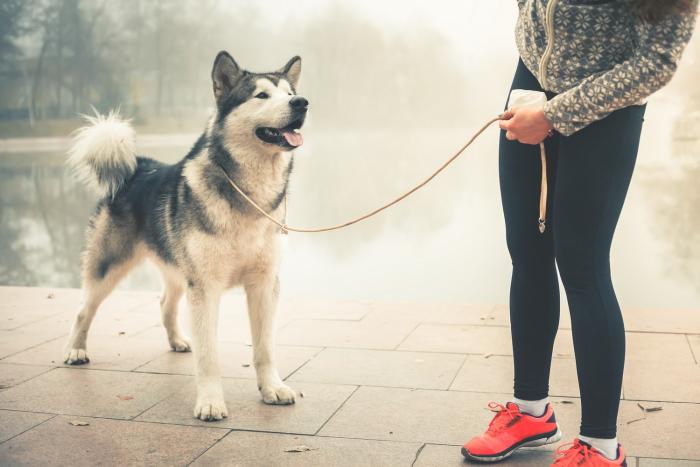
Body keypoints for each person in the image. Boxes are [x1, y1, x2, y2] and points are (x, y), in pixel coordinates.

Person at [461, 0, 698, 465]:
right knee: (526, 255)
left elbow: (657, 62)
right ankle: (531, 413)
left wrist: (555, 114)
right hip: (529, 85)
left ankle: (601, 446)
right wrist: (537, 95)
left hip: (605, 112)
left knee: (583, 269)